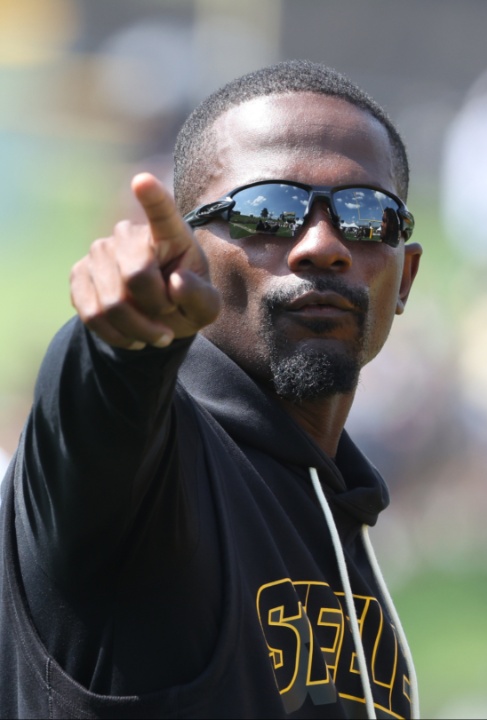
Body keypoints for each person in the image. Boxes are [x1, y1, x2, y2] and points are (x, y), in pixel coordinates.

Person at [0, 61, 423, 718]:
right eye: (268, 210)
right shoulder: (151, 474)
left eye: (365, 216)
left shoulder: (337, 505)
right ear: (184, 249)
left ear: (407, 276)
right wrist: (124, 343)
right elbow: (95, 414)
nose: (322, 245)